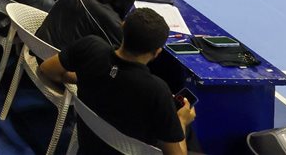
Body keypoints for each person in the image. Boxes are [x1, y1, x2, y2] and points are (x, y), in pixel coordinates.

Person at [39, 8, 194, 155]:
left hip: (87, 143)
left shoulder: (90, 47)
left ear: (123, 26)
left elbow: (47, 69)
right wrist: (182, 121)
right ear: (157, 52)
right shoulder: (157, 92)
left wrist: (88, 76)